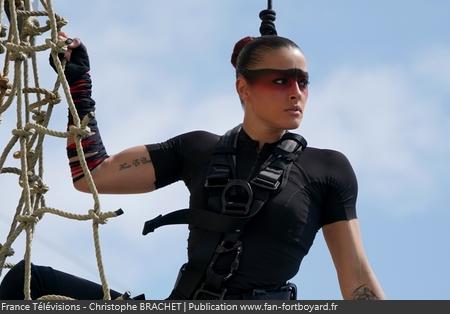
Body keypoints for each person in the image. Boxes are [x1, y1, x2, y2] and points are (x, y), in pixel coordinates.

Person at [0, 13, 385, 301]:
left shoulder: (328, 170)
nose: (296, 92)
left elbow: (357, 280)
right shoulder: (199, 149)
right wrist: (78, 86)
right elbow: (93, 176)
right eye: (280, 80)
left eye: (303, 81)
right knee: (28, 283)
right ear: (243, 88)